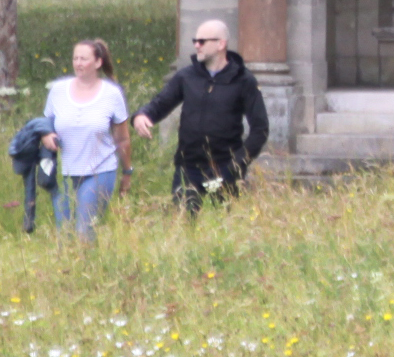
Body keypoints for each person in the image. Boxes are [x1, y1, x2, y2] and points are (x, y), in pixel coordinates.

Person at [133, 20, 267, 213]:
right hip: (188, 168)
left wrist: (236, 165)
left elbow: (260, 129)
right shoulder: (187, 76)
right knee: (182, 226)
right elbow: (161, 103)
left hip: (225, 169)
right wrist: (142, 115)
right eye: (195, 40)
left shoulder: (243, 80)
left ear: (221, 44)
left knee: (222, 231)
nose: (196, 45)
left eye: (202, 41)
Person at [43, 40, 132, 241]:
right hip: (63, 173)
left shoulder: (111, 93)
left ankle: (89, 268)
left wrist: (127, 171)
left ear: (98, 63)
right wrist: (46, 135)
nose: (78, 63)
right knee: (64, 234)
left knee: (85, 231)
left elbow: (123, 138)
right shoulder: (58, 90)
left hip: (99, 170)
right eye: (75, 58)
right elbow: (44, 123)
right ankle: (66, 270)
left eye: (84, 59)